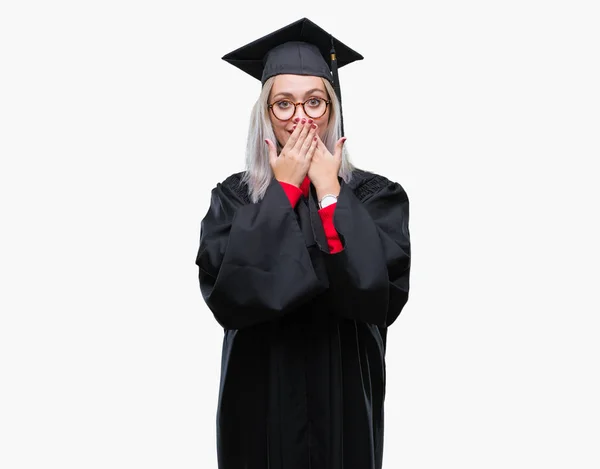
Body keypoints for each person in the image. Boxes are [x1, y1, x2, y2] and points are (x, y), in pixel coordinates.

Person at [195, 17, 411, 469]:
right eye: (284, 104)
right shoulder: (234, 198)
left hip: (345, 395)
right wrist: (284, 193)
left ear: (333, 110)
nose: (300, 118)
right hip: (259, 395)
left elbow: (379, 296)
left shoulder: (375, 196)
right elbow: (229, 298)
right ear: (266, 114)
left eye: (314, 102)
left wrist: (331, 194)